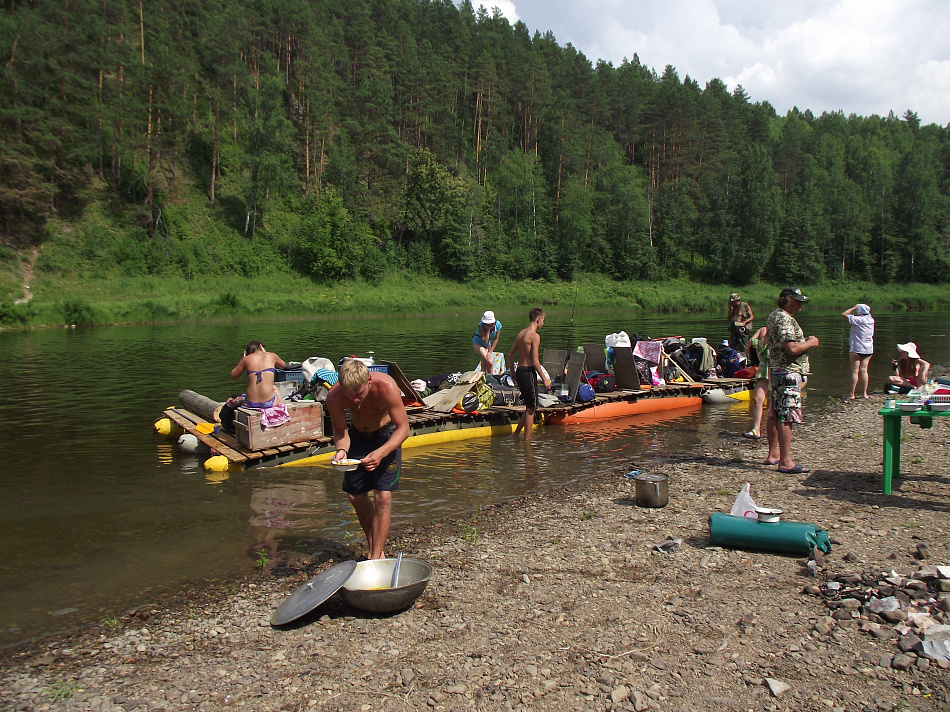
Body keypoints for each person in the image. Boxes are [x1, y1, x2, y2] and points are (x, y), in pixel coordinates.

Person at [326, 358, 409, 560]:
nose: (355, 400)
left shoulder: (387, 386)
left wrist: (380, 453)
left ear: (369, 380)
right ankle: (377, 552)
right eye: (350, 395)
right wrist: (341, 451)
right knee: (356, 496)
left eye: (360, 393)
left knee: (383, 497)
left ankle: (374, 558)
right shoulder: (335, 396)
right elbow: (340, 432)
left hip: (387, 436)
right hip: (357, 438)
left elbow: (404, 429)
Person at [764, 288, 819, 474]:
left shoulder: (773, 316)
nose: (801, 305)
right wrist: (811, 342)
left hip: (778, 370)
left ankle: (773, 454)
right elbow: (792, 348)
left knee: (775, 411)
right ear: (787, 299)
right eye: (797, 301)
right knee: (786, 415)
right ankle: (785, 461)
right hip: (788, 372)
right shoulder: (784, 318)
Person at [507, 307, 551, 442]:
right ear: (538, 320)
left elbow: (510, 354)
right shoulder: (535, 336)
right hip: (528, 372)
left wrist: (513, 372)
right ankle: (527, 442)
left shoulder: (521, 333)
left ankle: (515, 435)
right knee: (532, 408)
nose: (543, 323)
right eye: (543, 320)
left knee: (530, 405)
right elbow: (535, 361)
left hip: (520, 371)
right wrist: (545, 379)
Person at [230, 341, 286, 408]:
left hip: (251, 403)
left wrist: (243, 361)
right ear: (261, 347)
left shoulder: (246, 359)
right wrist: (265, 353)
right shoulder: (272, 355)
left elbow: (233, 376)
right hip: (268, 403)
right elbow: (283, 365)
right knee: (274, 387)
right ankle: (280, 403)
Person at [742, 326, 769, 440]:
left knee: (774, 401)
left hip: (777, 367)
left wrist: (748, 351)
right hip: (764, 365)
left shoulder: (782, 329)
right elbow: (751, 340)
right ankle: (756, 429)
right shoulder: (763, 329)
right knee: (758, 399)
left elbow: (751, 341)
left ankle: (774, 430)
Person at [842, 304, 874, 399]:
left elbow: (844, 315)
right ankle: (864, 394)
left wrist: (853, 308)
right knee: (864, 371)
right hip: (868, 349)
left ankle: (852, 394)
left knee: (855, 371)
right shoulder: (871, 320)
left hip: (856, 348)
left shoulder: (858, 320)